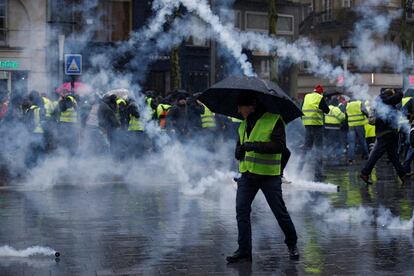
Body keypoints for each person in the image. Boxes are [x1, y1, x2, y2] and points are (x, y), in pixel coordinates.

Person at [226, 93, 299, 263]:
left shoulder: (274, 120)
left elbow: (280, 147)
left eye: (240, 106)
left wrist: (252, 146)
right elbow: (240, 146)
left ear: (251, 106)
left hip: (269, 176)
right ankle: (244, 250)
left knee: (280, 212)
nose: (238, 110)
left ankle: (292, 244)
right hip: (247, 175)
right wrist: (238, 151)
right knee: (241, 211)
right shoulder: (243, 124)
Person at [360, 89, 410, 185]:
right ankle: (364, 173)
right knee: (376, 154)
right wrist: (398, 92)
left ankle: (402, 174)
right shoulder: (384, 101)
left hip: (388, 132)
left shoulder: (381, 102)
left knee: (393, 156)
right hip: (385, 132)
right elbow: (398, 97)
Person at [300, 84, 329, 180]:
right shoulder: (320, 97)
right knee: (318, 149)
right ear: (321, 92)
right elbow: (327, 110)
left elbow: (301, 108)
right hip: (317, 125)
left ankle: (298, 169)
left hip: (307, 124)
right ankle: (318, 173)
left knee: (306, 147)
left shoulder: (307, 96)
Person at [346, 98, 369, 164]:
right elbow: (365, 111)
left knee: (351, 143)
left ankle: (351, 159)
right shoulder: (359, 103)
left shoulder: (348, 104)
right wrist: (368, 116)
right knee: (362, 141)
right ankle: (366, 155)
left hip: (351, 125)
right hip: (359, 125)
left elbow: (346, 114)